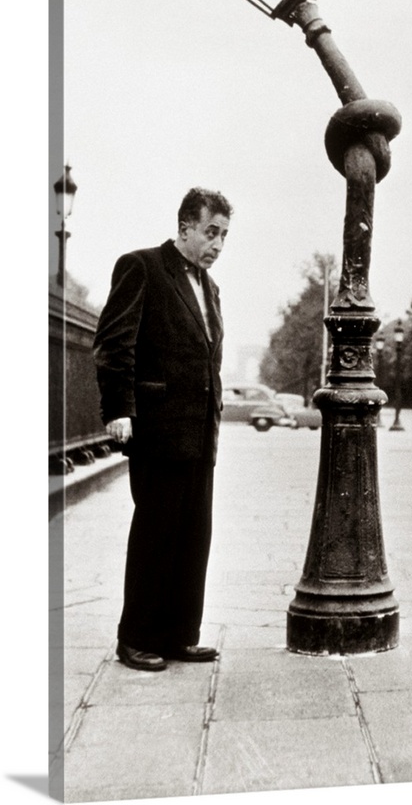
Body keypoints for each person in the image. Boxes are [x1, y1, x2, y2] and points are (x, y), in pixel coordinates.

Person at [93, 187, 233, 671]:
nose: (217, 244)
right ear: (185, 227)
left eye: (224, 236)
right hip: (157, 428)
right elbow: (115, 343)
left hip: (200, 433)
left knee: (194, 535)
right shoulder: (142, 266)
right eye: (210, 232)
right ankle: (136, 636)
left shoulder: (210, 287)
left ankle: (179, 633)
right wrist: (119, 409)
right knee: (155, 533)